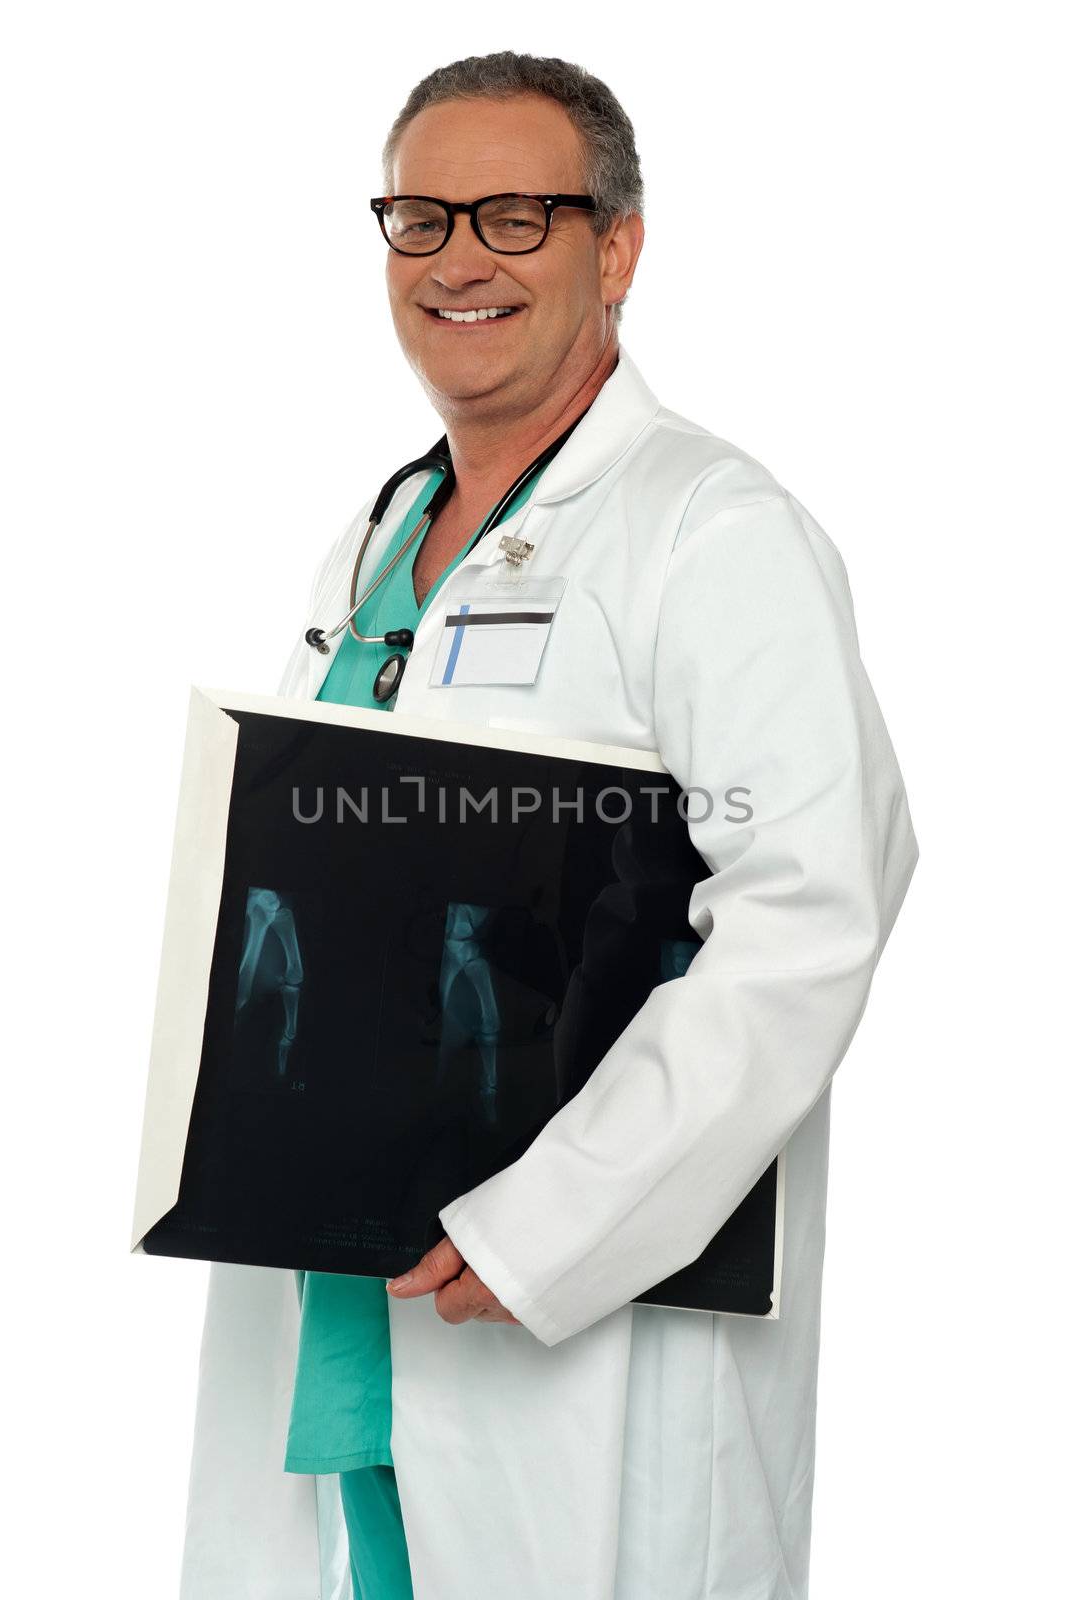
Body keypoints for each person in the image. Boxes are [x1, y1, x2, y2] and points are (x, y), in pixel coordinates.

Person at [178, 51, 919, 1600]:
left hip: (557, 1291)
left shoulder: (711, 531)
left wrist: (559, 1225)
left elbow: (811, 908)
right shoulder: (379, 535)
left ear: (618, 249)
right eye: (420, 216)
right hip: (340, 1274)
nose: (459, 257)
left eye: (516, 213)